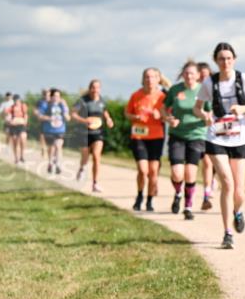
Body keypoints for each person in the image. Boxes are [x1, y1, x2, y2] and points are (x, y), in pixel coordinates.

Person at [193, 42, 245, 249]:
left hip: (240, 138)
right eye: (221, 59)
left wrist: (244, 108)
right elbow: (196, 108)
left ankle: (238, 211)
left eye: (228, 58)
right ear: (216, 61)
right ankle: (227, 233)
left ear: (234, 59)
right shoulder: (210, 82)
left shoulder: (244, 80)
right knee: (227, 182)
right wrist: (205, 115)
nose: (225, 62)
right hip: (216, 137)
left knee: (239, 192)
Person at [164, 60, 208, 220]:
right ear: (182, 74)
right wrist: (169, 119)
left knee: (190, 173)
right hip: (177, 135)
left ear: (198, 75)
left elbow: (209, 112)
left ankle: (188, 206)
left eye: (192, 73)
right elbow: (164, 109)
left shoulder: (203, 91)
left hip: (196, 135)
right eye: (186, 73)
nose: (189, 76)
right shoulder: (175, 90)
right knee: (177, 173)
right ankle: (177, 192)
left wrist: (207, 118)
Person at [125, 68, 166, 211]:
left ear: (158, 79)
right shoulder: (136, 95)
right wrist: (135, 117)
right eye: (147, 77)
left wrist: (160, 115)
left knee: (153, 171)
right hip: (139, 136)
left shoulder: (162, 97)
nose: (150, 80)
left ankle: (149, 201)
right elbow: (127, 113)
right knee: (143, 170)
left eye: (153, 77)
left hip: (156, 136)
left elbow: (168, 115)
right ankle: (139, 195)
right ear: (143, 79)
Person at [71, 79, 115, 192]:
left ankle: (95, 183)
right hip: (84, 133)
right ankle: (82, 169)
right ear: (90, 88)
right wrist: (84, 120)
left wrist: (109, 119)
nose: (95, 90)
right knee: (85, 157)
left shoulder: (101, 100)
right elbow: (73, 114)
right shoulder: (82, 101)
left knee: (96, 156)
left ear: (100, 89)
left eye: (97, 87)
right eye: (93, 87)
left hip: (97, 133)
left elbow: (105, 111)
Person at [196, 62, 216, 211]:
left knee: (208, 163)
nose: (203, 78)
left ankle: (206, 195)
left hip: (209, 131)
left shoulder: (213, 90)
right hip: (194, 133)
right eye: (201, 75)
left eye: (206, 75)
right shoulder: (193, 91)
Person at [37, 89, 70, 174]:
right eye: (54, 96)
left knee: (58, 146)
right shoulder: (46, 105)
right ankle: (51, 163)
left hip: (60, 129)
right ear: (51, 97)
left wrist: (67, 115)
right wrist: (49, 118)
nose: (56, 98)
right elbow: (40, 116)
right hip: (49, 130)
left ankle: (58, 165)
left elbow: (67, 117)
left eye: (58, 96)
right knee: (51, 148)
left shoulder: (62, 105)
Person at [4, 94, 29, 164]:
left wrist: (25, 122)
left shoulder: (23, 106)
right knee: (15, 142)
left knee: (23, 139)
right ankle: (16, 158)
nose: (17, 102)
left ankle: (22, 155)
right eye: (15, 100)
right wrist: (9, 121)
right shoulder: (11, 108)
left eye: (18, 100)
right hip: (13, 126)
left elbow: (26, 115)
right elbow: (7, 116)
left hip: (21, 125)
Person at [36, 88, 50, 158]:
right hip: (43, 120)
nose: (47, 96)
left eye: (48, 94)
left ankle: (48, 150)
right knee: (42, 136)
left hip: (51, 122)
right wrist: (39, 115)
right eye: (46, 94)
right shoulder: (40, 102)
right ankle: (43, 149)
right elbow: (36, 110)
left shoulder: (52, 101)